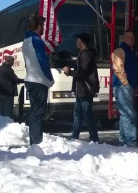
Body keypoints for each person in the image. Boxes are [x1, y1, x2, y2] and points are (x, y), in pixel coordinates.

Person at [22, 14, 55, 145]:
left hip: (30, 79)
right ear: (38, 26)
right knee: (38, 113)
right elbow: (43, 61)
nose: (43, 28)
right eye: (42, 25)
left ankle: (34, 140)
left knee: (34, 111)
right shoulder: (37, 41)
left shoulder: (25, 41)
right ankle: (36, 142)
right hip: (39, 80)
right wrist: (50, 79)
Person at [62, 33, 100, 143]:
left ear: (81, 41)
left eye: (77, 39)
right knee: (78, 113)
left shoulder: (86, 54)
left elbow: (83, 72)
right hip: (81, 89)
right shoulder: (83, 53)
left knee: (87, 114)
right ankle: (74, 136)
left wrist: (69, 72)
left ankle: (94, 138)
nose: (76, 41)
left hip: (85, 89)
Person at [111, 29, 138, 147]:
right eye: (128, 37)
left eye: (132, 38)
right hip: (122, 87)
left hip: (127, 86)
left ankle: (123, 140)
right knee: (129, 114)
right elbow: (118, 67)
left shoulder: (130, 51)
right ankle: (131, 141)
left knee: (125, 114)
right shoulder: (120, 50)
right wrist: (125, 82)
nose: (131, 39)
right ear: (123, 38)